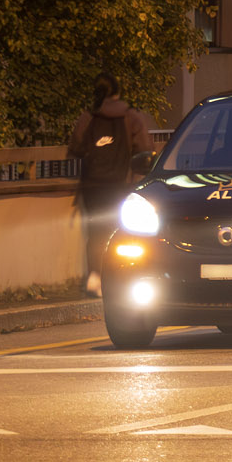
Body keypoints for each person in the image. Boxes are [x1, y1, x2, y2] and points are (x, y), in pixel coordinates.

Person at [66, 73, 156, 297]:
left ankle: (95, 277)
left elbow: (76, 147)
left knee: (95, 233)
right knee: (120, 233)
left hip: (92, 186)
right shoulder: (130, 117)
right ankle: (118, 278)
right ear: (118, 92)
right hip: (121, 186)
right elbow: (145, 151)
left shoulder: (89, 117)